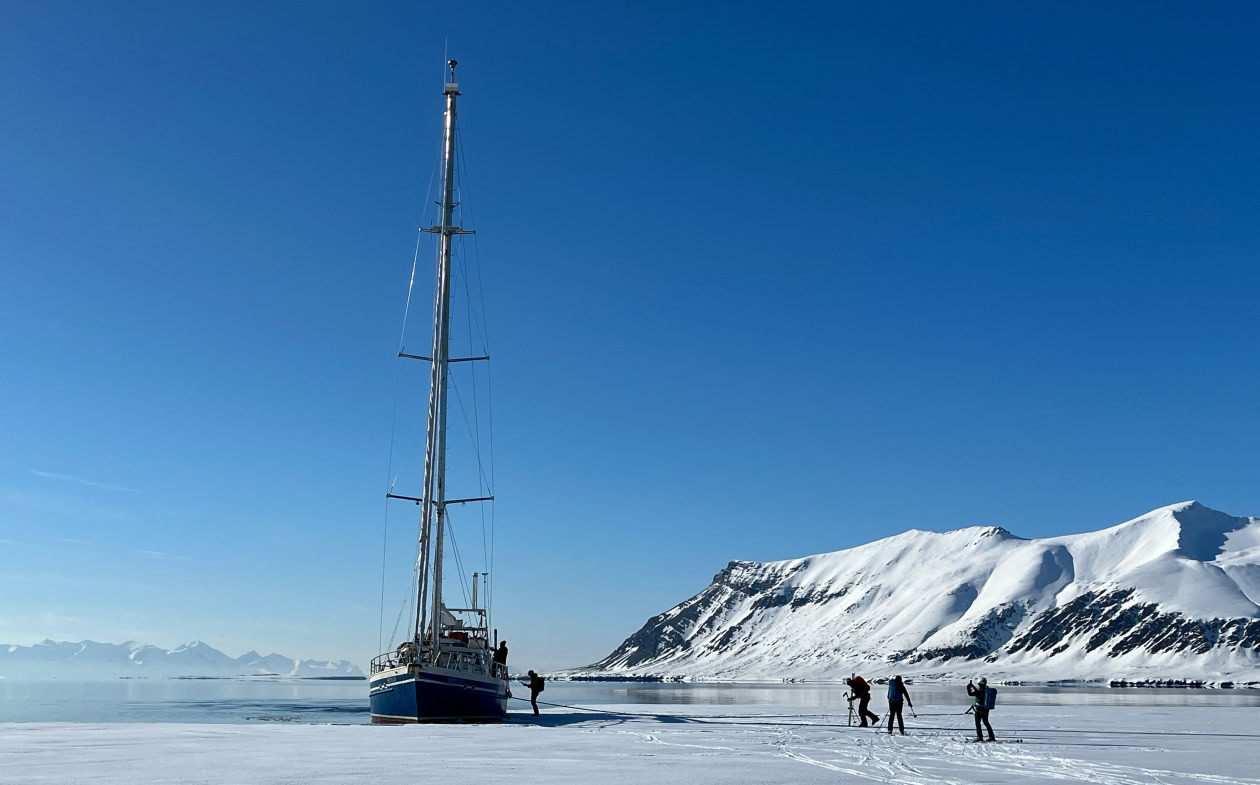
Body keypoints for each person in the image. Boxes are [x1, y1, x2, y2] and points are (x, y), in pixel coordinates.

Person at [968, 677, 995, 742]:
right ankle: (992, 737)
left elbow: (970, 694)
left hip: (979, 709)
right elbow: (977, 692)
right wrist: (972, 687)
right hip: (986, 709)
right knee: (986, 723)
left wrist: (968, 688)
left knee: (978, 723)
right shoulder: (987, 690)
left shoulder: (980, 691)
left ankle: (979, 737)